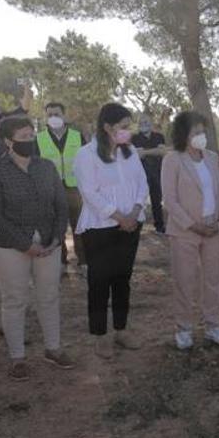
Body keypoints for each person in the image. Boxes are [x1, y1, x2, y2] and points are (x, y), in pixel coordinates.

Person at [0, 116, 74, 380]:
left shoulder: (46, 167)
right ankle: (17, 357)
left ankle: (53, 348)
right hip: (9, 247)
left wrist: (57, 237)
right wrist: (24, 245)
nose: (29, 141)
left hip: (48, 243)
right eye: (23, 138)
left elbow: (61, 206)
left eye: (31, 135)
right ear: (8, 142)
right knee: (14, 299)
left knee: (49, 296)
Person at [74, 102, 147, 357]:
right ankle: (99, 336)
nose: (129, 131)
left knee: (122, 279)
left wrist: (135, 212)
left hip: (131, 225)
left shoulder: (130, 153)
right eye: (124, 127)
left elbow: (142, 184)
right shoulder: (86, 154)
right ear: (107, 127)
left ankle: (121, 330)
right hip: (100, 228)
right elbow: (89, 192)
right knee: (99, 281)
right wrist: (118, 216)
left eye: (129, 126)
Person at [162, 111, 219, 350]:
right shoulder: (173, 159)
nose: (201, 136)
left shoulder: (212, 157)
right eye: (196, 132)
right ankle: (184, 328)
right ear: (184, 134)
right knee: (184, 280)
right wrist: (194, 225)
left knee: (213, 279)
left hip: (213, 229)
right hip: (185, 231)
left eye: (203, 131)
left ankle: (213, 325)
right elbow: (169, 200)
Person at [35, 101, 88, 271]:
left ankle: (83, 262)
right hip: (51, 190)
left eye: (56, 114)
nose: (53, 118)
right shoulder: (39, 138)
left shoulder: (77, 136)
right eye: (49, 115)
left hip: (75, 189)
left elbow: (87, 162)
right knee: (56, 228)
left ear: (64, 116)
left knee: (79, 226)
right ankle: (61, 263)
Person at [132, 113, 169, 234]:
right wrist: (155, 151)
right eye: (141, 122)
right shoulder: (134, 138)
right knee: (138, 201)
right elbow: (136, 155)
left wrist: (145, 152)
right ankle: (136, 227)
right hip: (140, 175)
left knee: (156, 201)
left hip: (157, 173)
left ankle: (159, 226)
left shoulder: (159, 136)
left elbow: (163, 152)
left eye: (146, 121)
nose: (144, 124)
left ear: (151, 123)